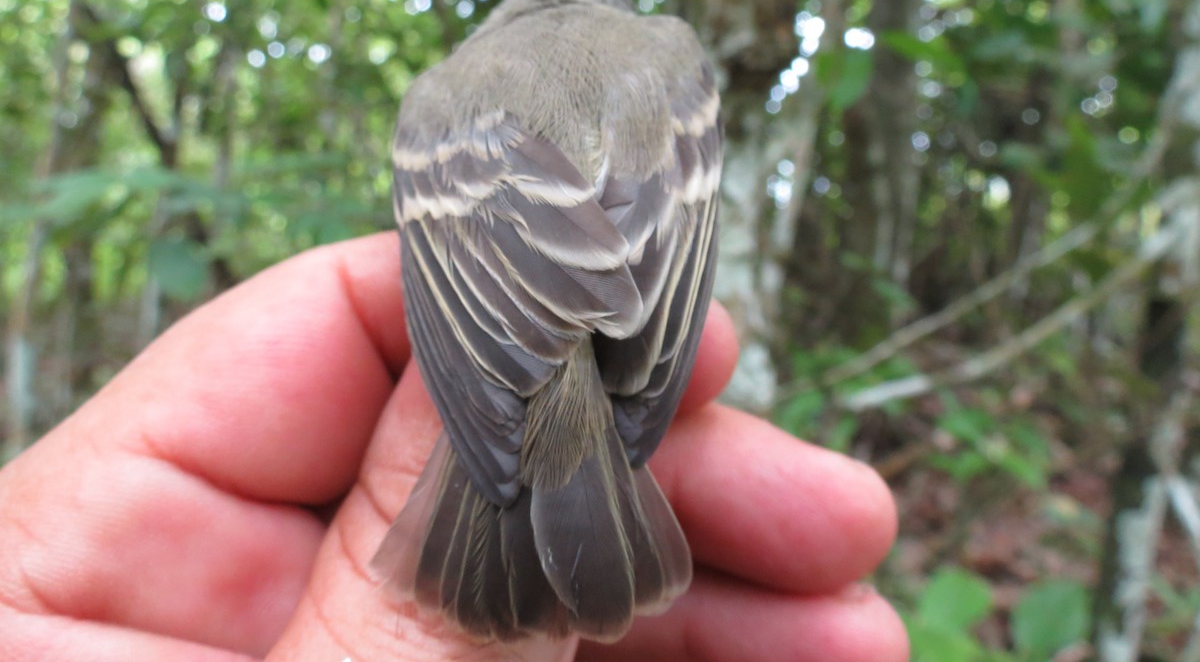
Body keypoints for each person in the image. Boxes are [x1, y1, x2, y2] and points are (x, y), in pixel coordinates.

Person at [0, 233, 908, 661]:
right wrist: (625, 387)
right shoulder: (657, 60)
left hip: (492, 324)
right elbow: (673, 241)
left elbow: (449, 260)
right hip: (627, 328)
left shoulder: (454, 86)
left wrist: (496, 357)